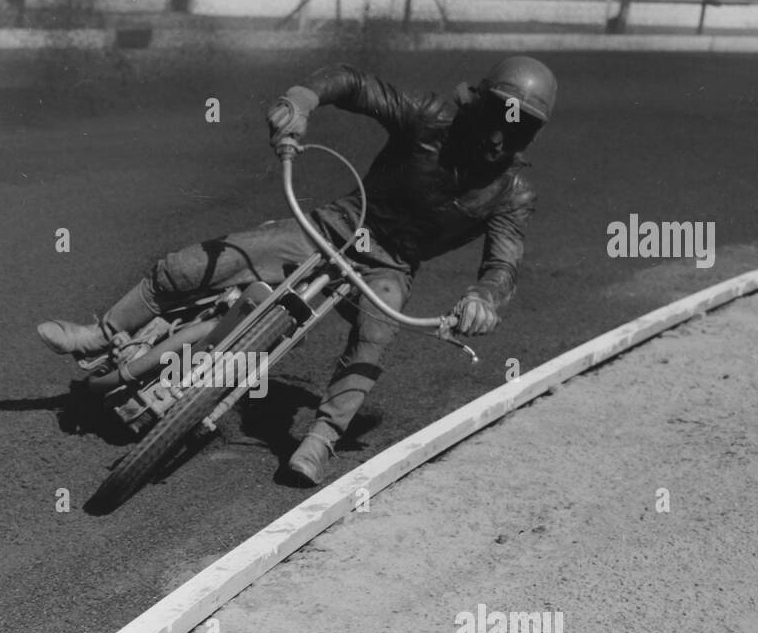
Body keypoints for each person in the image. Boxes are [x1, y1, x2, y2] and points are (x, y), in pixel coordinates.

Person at [38, 56, 557, 485]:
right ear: (478, 105)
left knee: (377, 333)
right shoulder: (427, 118)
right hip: (333, 225)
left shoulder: (514, 194)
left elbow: (503, 263)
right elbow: (355, 84)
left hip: (389, 267)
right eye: (499, 115)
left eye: (521, 126)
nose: (500, 137)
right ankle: (100, 335)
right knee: (192, 265)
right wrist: (301, 100)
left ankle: (321, 438)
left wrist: (482, 300)